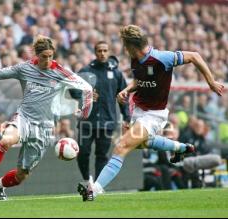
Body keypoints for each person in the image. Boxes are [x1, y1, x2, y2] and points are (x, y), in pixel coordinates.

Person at [77, 25, 224, 201]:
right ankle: (181, 148)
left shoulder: (162, 58)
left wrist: (211, 81)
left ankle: (94, 190)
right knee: (140, 144)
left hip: (154, 114)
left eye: (125, 46)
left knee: (122, 146)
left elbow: (194, 56)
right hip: (138, 109)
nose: (124, 49)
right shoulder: (135, 59)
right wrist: (127, 90)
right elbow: (139, 81)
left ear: (132, 46)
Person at [0, 35, 93, 200]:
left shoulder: (60, 72)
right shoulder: (24, 69)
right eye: (44, 57)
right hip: (24, 117)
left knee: (22, 175)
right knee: (6, 140)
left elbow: (88, 88)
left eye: (51, 56)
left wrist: (84, 112)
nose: (47, 60)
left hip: (44, 128)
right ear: (36, 55)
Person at [72, 41, 130, 182]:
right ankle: (87, 180)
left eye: (105, 50)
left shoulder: (116, 73)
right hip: (87, 121)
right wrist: (86, 95)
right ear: (95, 52)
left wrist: (127, 116)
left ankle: (97, 185)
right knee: (83, 152)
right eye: (99, 51)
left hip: (107, 121)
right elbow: (73, 90)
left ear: (109, 52)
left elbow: (123, 96)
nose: (102, 53)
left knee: (102, 155)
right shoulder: (86, 71)